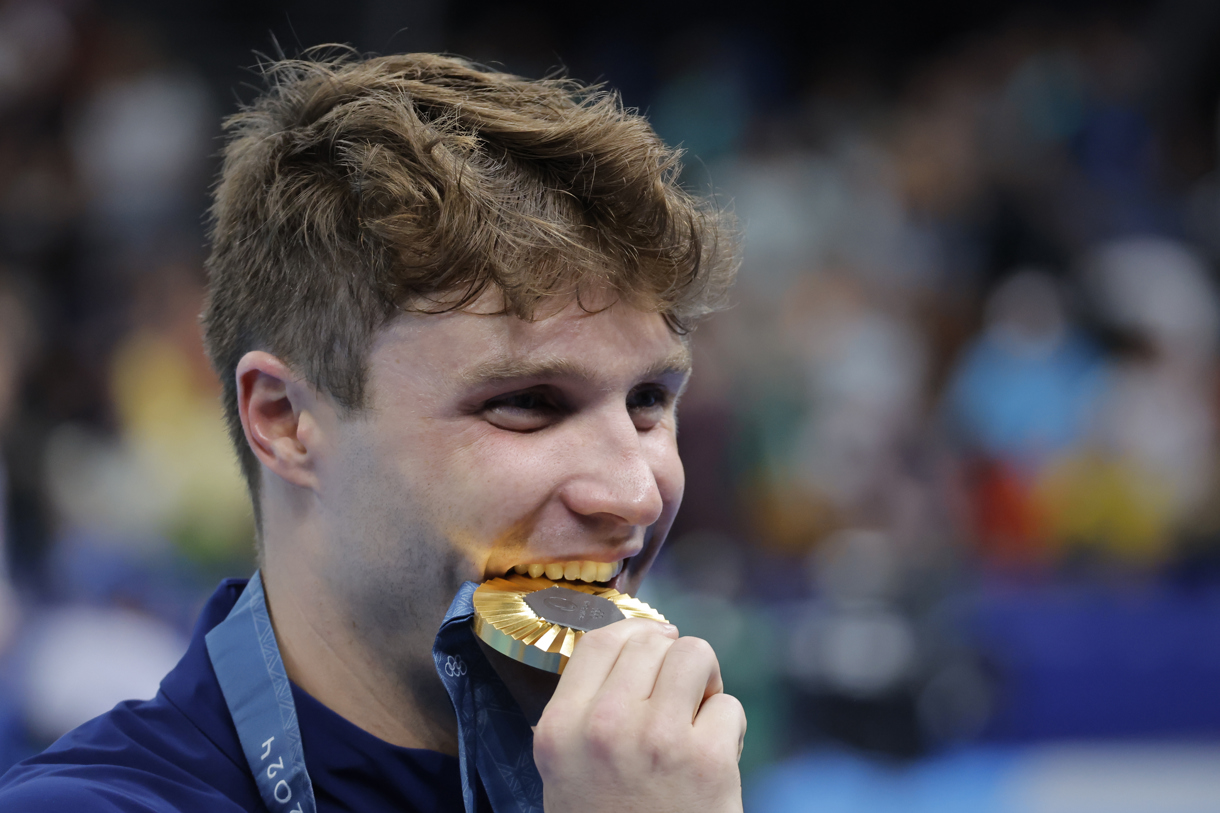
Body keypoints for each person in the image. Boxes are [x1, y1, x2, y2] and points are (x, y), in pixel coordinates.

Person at [0, 50, 745, 812]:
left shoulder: (665, 782)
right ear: (285, 420)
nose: (636, 495)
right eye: (529, 403)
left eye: (650, 397)